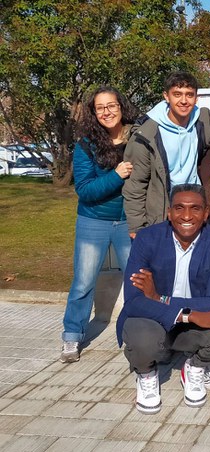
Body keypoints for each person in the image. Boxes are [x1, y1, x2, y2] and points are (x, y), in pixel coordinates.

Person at [117, 184, 210, 414]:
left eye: (195, 208)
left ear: (205, 213)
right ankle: (146, 373)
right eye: (179, 208)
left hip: (188, 324)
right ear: (169, 213)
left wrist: (157, 297)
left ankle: (194, 367)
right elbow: (134, 300)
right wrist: (188, 314)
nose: (187, 216)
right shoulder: (146, 239)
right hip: (152, 320)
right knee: (141, 338)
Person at [60, 86, 138, 363]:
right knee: (83, 281)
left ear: (121, 106)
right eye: (100, 107)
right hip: (93, 221)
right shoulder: (86, 145)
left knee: (138, 279)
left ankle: (140, 332)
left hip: (130, 220)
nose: (107, 112)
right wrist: (117, 175)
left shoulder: (137, 138)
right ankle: (72, 334)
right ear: (93, 113)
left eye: (111, 105)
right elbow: (85, 190)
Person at [123, 71, 210, 237]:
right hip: (163, 212)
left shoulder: (204, 121)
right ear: (166, 96)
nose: (184, 100)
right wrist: (136, 227)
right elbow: (136, 185)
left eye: (189, 95)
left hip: (196, 207)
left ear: (196, 98)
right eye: (177, 94)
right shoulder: (146, 134)